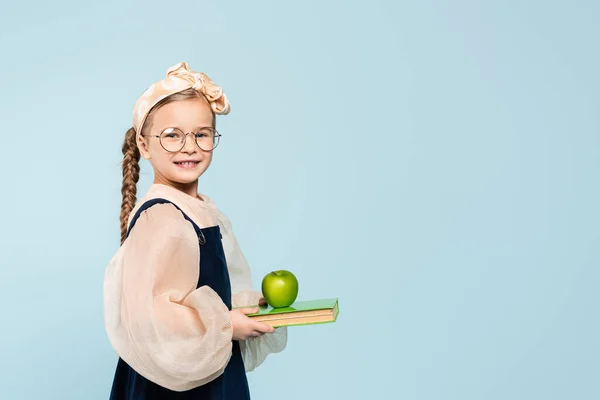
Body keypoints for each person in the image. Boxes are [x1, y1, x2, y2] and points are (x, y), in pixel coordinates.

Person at [103, 61, 287, 399]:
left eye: (201, 134)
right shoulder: (162, 218)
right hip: (172, 381)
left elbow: (214, 286)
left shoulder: (202, 210)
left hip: (208, 364)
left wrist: (246, 307)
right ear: (144, 146)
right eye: (172, 135)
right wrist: (228, 325)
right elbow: (151, 316)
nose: (189, 146)